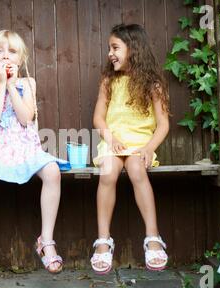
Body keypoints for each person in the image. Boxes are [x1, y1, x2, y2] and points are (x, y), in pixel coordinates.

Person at [0, 30, 67, 278]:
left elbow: (26, 117)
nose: (5, 56)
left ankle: (46, 241)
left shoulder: (28, 83)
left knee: (52, 171)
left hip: (24, 145)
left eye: (12, 52)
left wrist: (11, 84)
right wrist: (0, 85)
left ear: (20, 60)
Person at [91, 23, 170, 274]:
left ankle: (153, 237)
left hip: (140, 145)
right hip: (113, 144)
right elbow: (98, 119)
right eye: (108, 48)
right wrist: (110, 138)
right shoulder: (109, 81)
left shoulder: (153, 84)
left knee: (136, 168)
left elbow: (163, 124)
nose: (110, 53)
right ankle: (103, 241)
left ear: (133, 49)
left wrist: (149, 148)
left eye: (115, 47)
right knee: (108, 172)